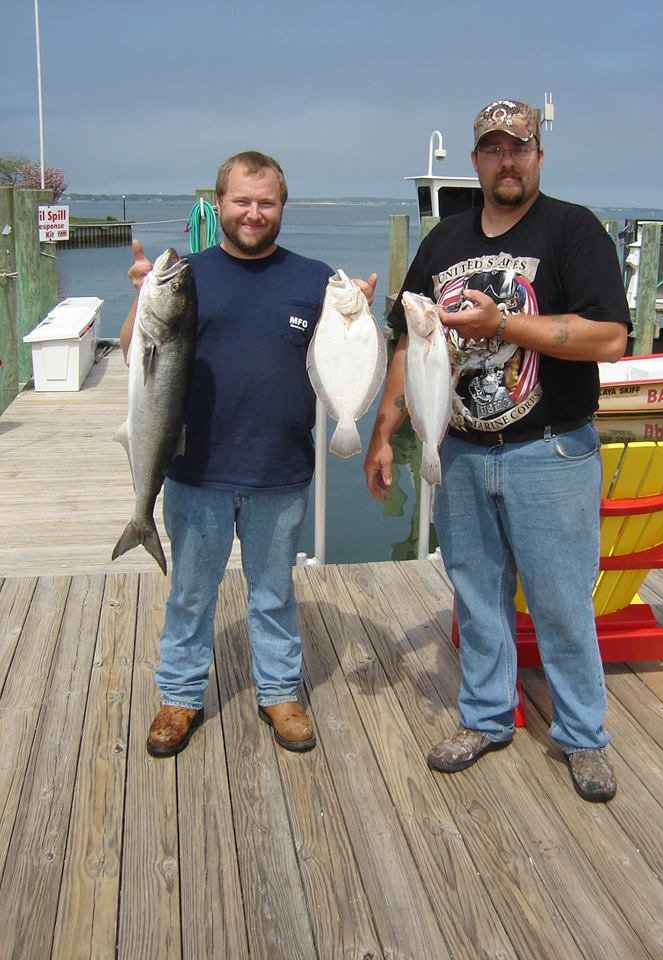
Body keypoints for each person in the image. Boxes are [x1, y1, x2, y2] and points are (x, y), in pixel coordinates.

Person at [364, 100, 629, 802]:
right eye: (493, 149)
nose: (506, 160)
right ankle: (486, 718)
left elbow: (610, 338)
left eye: (520, 148)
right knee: (478, 597)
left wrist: (505, 321)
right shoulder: (443, 240)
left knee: (560, 603)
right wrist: (385, 431)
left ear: (540, 156)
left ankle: (582, 737)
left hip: (551, 452)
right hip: (460, 453)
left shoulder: (574, 230)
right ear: (476, 160)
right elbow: (406, 343)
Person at [121, 150, 376, 757]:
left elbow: (352, 354)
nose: (253, 213)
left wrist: (360, 313)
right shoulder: (186, 275)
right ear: (219, 204)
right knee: (190, 591)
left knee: (273, 593)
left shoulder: (314, 279)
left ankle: (279, 691)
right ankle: (179, 696)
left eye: (266, 202)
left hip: (280, 470)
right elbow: (135, 347)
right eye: (241, 200)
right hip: (194, 470)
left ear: (283, 207)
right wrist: (140, 297)